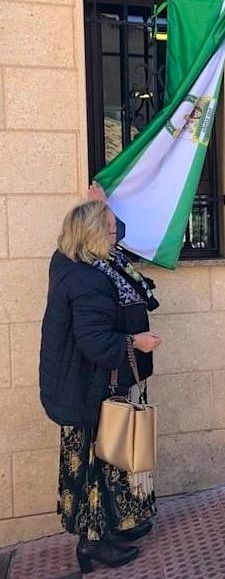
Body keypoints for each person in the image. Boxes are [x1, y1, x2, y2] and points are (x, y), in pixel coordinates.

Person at [39, 198, 162, 572]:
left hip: (90, 384)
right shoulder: (87, 278)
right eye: (108, 227)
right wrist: (136, 342)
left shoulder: (85, 262)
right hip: (88, 388)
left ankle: (115, 525)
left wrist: (103, 204)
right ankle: (92, 543)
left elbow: (117, 231)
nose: (115, 232)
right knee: (96, 463)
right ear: (92, 234)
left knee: (111, 458)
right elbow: (95, 342)